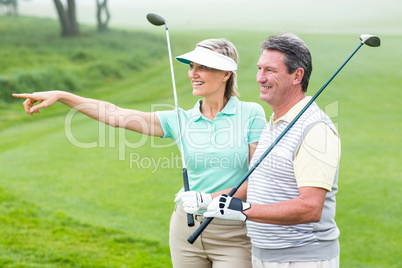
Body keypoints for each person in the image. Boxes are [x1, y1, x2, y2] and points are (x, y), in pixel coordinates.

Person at [13, 38, 266, 268]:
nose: (193, 74)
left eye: (203, 67)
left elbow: (255, 178)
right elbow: (115, 114)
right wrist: (62, 95)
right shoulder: (180, 119)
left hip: (232, 231)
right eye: (192, 66)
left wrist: (208, 199)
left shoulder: (251, 114)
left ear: (226, 74)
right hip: (185, 227)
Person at [204, 33, 341, 268]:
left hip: (302, 258)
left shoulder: (315, 129)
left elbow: (310, 207)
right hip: (264, 254)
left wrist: (245, 209)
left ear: (297, 75)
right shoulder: (274, 123)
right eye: (259, 68)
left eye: (270, 70)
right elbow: (259, 184)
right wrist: (206, 199)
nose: (260, 78)